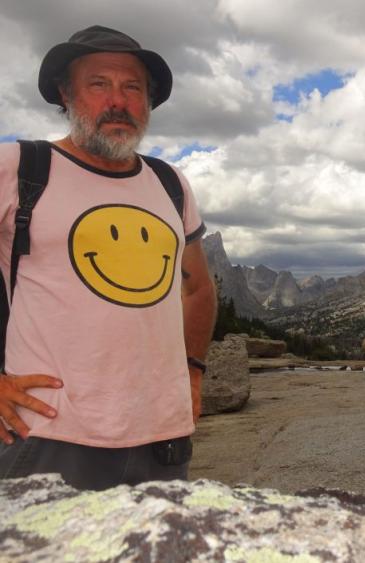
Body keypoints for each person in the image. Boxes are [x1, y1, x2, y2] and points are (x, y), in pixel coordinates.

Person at [0, 25, 217, 490]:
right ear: (66, 94)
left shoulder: (170, 183)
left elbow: (198, 288)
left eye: (132, 88)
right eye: (98, 84)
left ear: (148, 102)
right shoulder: (19, 167)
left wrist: (193, 373)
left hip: (163, 437)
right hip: (49, 431)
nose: (118, 101)